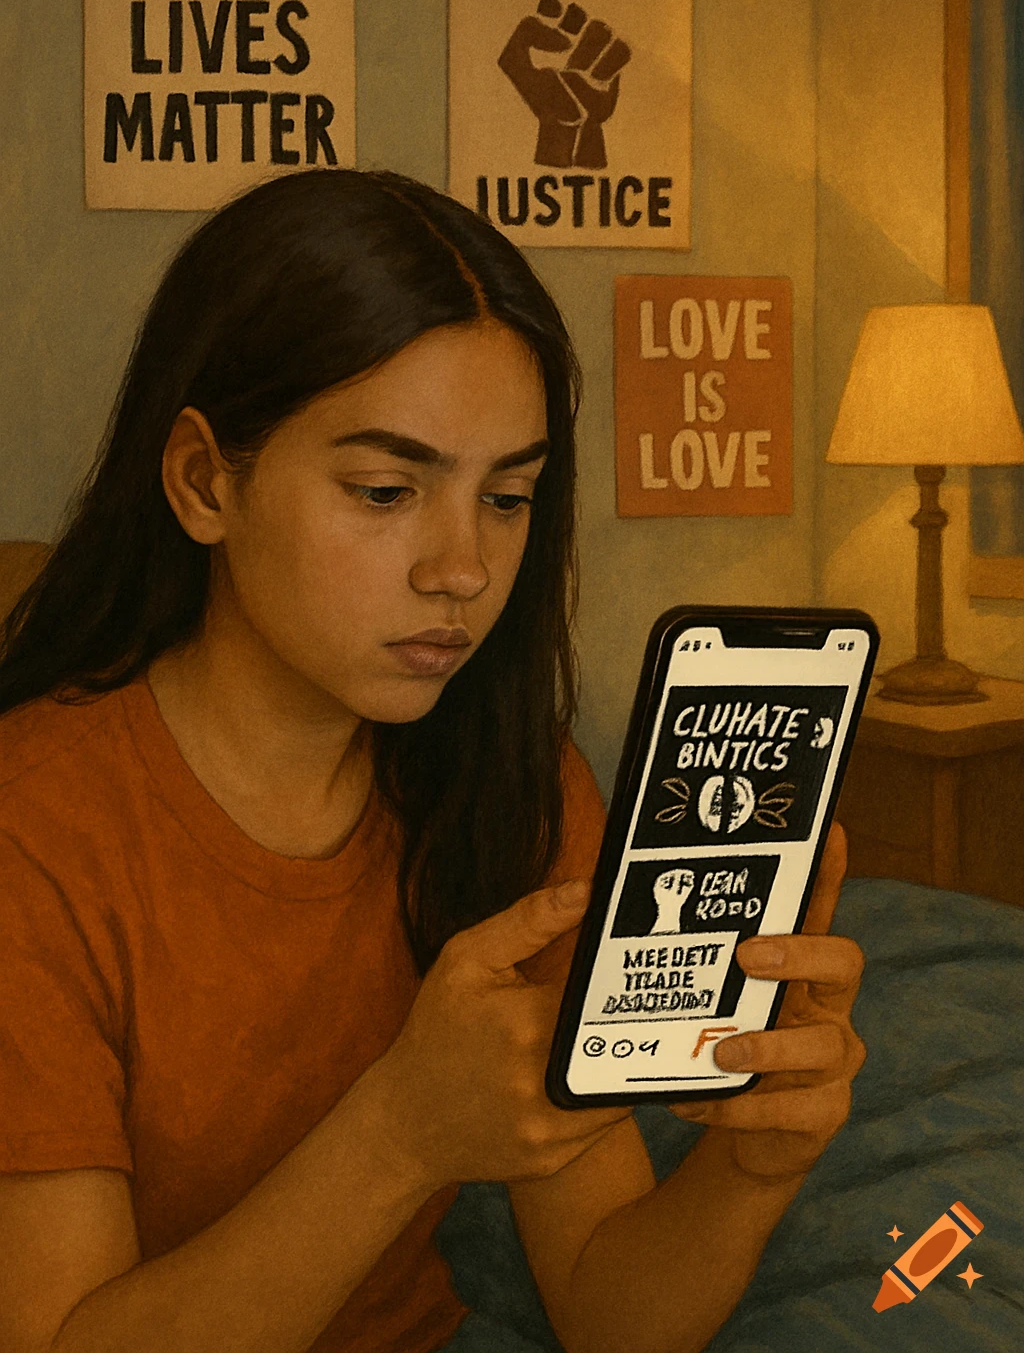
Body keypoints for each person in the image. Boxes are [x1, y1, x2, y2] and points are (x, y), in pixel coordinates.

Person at [0, 169, 865, 1353]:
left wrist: (755, 1166)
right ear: (206, 481)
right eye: (386, 490)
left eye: (507, 497)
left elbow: (615, 1317)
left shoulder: (509, 788)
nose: (460, 567)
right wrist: (399, 1135)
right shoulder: (36, 832)